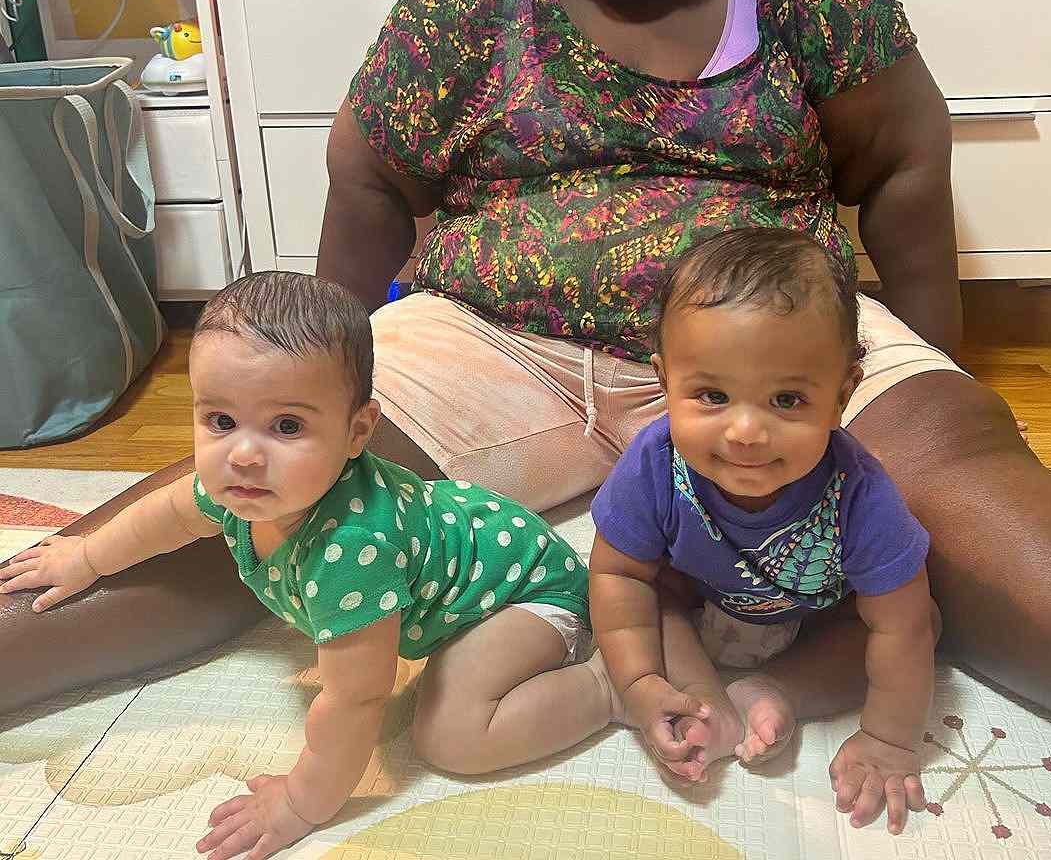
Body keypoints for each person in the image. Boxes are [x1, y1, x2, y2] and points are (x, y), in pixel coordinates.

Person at [2, 0, 1051, 744]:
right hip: (492, 333)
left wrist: (936, 369)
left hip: (770, 335)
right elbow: (369, 174)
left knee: (996, 536)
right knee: (262, 491)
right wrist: (317, 387)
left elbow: (905, 166)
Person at [0, 272, 626, 860]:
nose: (243, 454)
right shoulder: (242, 488)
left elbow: (358, 696)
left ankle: (607, 689)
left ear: (358, 433)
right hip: (478, 558)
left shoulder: (350, 552)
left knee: (453, 736)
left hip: (527, 598)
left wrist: (301, 802)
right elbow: (168, 514)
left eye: (287, 425)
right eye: (220, 420)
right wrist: (85, 554)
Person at [590, 228, 938, 835]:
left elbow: (900, 626)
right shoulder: (655, 462)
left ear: (841, 395)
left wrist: (889, 738)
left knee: (920, 626)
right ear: (664, 382)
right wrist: (639, 682)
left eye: (786, 400)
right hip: (703, 598)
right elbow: (618, 572)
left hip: (824, 613)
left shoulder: (859, 494)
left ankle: (779, 691)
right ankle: (704, 700)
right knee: (653, 602)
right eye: (712, 395)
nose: (746, 431)